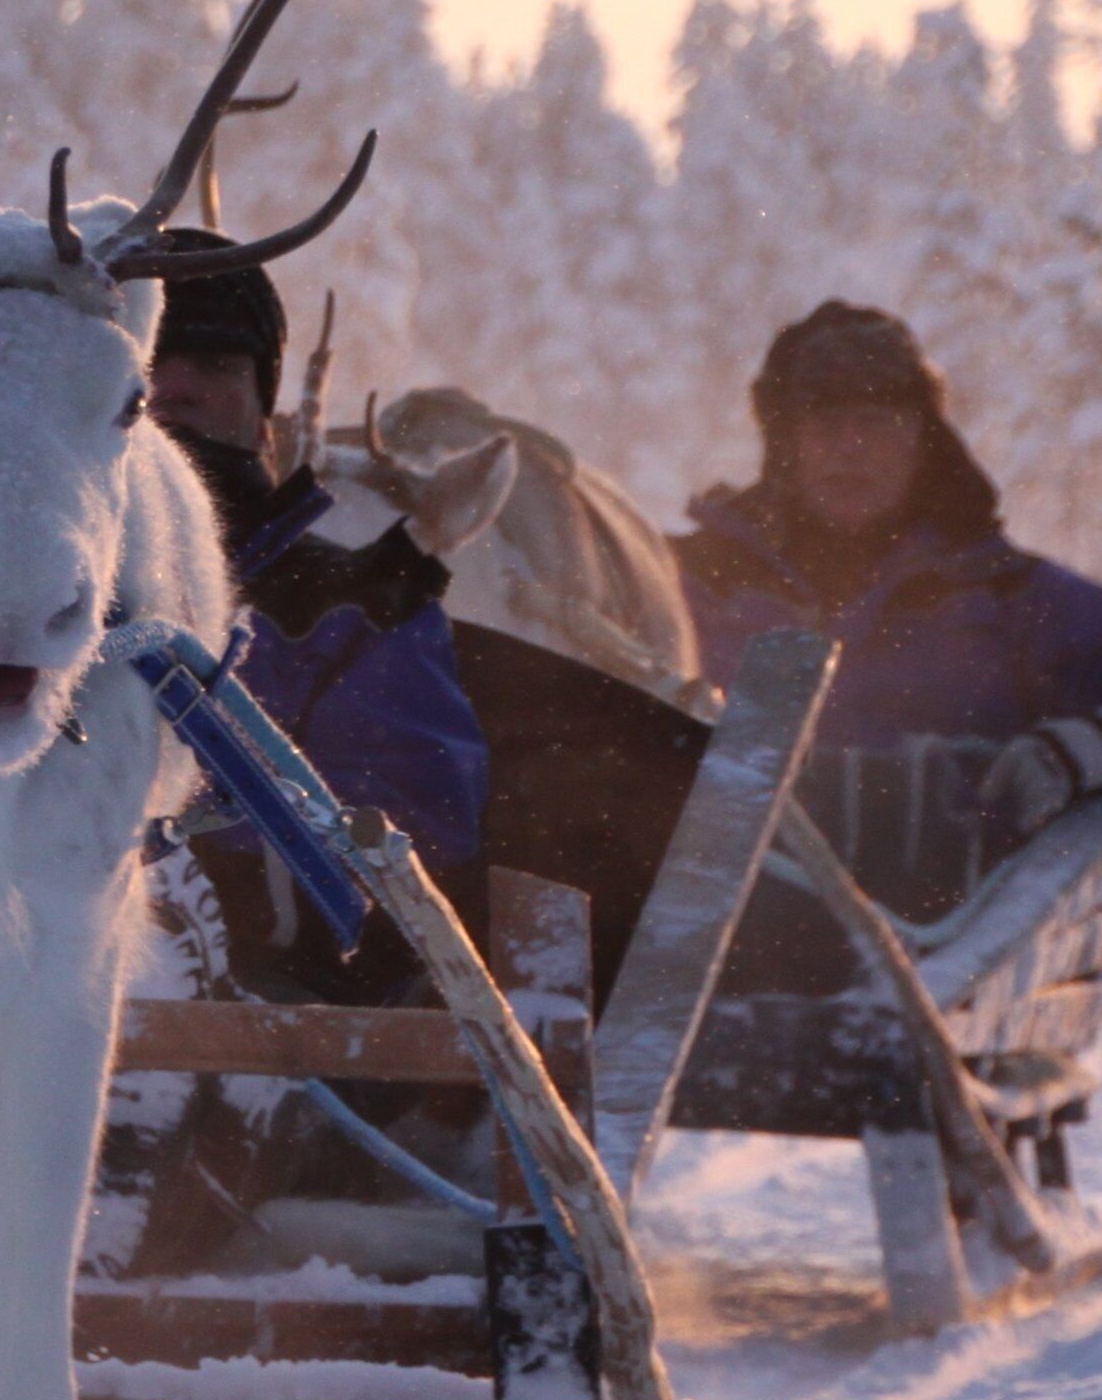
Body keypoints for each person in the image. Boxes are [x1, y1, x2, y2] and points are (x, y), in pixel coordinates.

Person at [145, 238, 707, 1007]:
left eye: (214, 368)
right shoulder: (0, 602)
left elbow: (407, 844)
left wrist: (219, 885)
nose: (175, 390)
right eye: (145, 360)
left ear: (265, 430)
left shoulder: (360, 612)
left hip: (280, 1033)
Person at [675, 301, 1102, 942]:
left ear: (921, 440)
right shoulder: (691, 587)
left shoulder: (1005, 598)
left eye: (877, 422)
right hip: (705, 939)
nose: (851, 448)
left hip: (932, 948)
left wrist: (1083, 751)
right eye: (825, 423)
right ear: (783, 442)